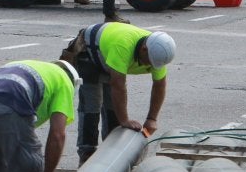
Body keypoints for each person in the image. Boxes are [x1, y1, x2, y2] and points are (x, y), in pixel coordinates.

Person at [62, 22, 175, 163]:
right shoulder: (123, 46)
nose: (149, 66)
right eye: (149, 62)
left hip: (109, 54)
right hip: (90, 52)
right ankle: (86, 155)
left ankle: (110, 155)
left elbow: (159, 85)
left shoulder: (157, 54)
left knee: (112, 110)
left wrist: (152, 119)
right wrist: (125, 120)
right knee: (91, 106)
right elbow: (118, 85)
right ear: (144, 49)